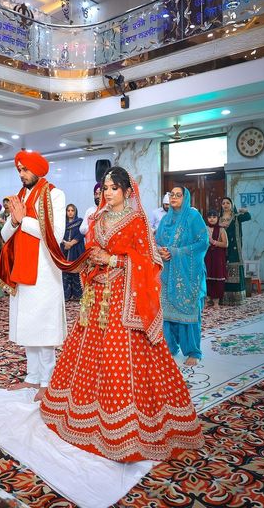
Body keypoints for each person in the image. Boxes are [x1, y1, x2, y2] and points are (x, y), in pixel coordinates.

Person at [41, 167, 204, 462]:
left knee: (121, 355)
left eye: (114, 188)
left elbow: (149, 259)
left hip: (123, 296)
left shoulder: (137, 220)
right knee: (88, 352)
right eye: (105, 188)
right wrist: (90, 260)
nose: (108, 193)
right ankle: (84, 412)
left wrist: (113, 259)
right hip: (97, 297)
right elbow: (92, 249)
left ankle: (128, 425)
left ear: (127, 192)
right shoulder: (98, 218)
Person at [0, 151, 66, 402]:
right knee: (28, 325)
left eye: (25, 170)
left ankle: (48, 381)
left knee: (43, 328)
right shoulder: (21, 195)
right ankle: (32, 377)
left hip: (45, 272)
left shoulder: (54, 195)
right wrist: (15, 221)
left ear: (37, 170)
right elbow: (5, 233)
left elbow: (55, 235)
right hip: (22, 269)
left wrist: (23, 220)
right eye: (19, 170)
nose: (21, 174)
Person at [155, 186, 208, 367]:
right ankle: (169, 347)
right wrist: (161, 252)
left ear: (185, 198)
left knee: (188, 311)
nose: (174, 197)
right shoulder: (165, 220)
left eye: (178, 195)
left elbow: (203, 243)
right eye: (172, 194)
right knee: (167, 312)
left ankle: (193, 350)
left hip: (188, 273)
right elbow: (157, 242)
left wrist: (177, 252)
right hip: (167, 272)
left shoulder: (193, 217)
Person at [219, 197, 251, 305]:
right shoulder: (219, 219)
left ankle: (237, 298)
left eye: (228, 203)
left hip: (234, 248)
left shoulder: (236, 217)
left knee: (235, 268)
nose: (225, 205)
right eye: (223, 203)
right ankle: (224, 297)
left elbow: (248, 217)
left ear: (232, 205)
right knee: (224, 270)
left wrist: (245, 211)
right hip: (222, 248)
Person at [61, 204, 84, 301]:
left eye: (72, 210)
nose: (70, 212)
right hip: (64, 250)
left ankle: (77, 295)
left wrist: (71, 243)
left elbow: (81, 234)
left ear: (75, 212)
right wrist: (65, 243)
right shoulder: (62, 224)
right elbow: (58, 233)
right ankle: (66, 296)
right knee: (65, 273)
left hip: (76, 249)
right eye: (68, 210)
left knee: (76, 272)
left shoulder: (80, 222)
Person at [205, 209, 228, 309]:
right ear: (207, 218)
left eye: (214, 217)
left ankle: (216, 302)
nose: (212, 219)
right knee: (206, 277)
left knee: (218, 277)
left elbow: (225, 244)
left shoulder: (221, 230)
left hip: (218, 257)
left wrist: (214, 242)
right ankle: (207, 299)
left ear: (217, 218)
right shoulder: (204, 229)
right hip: (206, 255)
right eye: (210, 217)